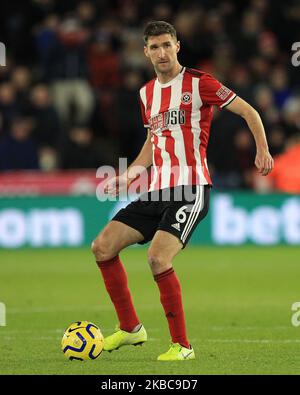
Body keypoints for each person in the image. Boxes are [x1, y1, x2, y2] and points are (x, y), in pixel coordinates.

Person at [91, 21, 274, 361]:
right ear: (145, 52)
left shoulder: (199, 83)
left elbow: (249, 111)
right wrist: (129, 175)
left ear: (177, 46)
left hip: (191, 187)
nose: (161, 52)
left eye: (166, 45)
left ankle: (182, 347)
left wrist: (261, 150)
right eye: (154, 47)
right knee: (102, 247)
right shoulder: (146, 94)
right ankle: (131, 329)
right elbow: (152, 142)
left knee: (157, 258)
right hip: (156, 190)